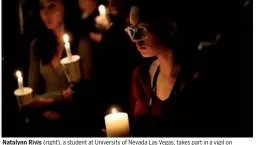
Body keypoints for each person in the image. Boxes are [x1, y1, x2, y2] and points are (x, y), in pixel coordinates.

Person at [128, 0, 209, 137]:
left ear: (171, 28)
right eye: (131, 30)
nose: (136, 39)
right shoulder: (141, 77)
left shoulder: (198, 82)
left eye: (142, 30)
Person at [27, 0, 94, 136]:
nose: (46, 13)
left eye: (52, 6)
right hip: (44, 124)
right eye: (42, 8)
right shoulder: (37, 45)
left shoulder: (81, 43)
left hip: (75, 123)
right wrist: (61, 96)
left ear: (65, 7)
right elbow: (30, 95)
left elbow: (83, 93)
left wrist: (44, 101)